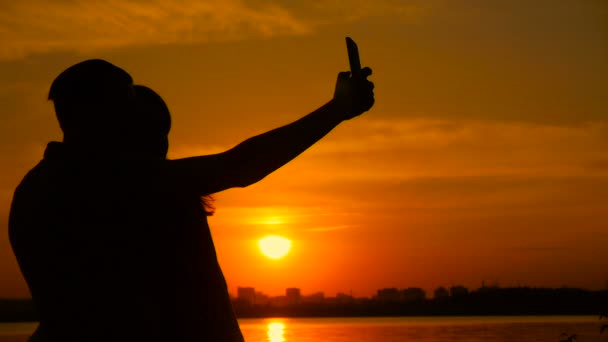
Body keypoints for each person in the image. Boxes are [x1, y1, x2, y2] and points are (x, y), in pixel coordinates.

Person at [9, 59, 374, 341]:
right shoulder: (112, 181)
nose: (132, 118)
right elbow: (241, 165)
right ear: (97, 112)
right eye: (126, 104)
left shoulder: (33, 189)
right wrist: (336, 109)